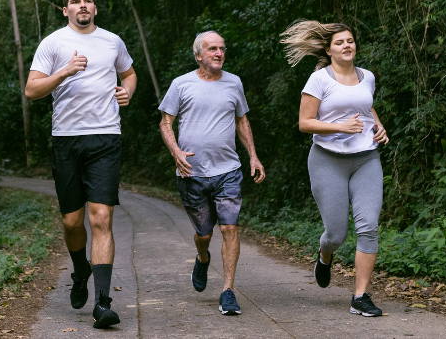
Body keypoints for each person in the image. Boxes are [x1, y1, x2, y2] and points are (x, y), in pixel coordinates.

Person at [25, 0, 136, 329]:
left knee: (101, 217)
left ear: (95, 8)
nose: (83, 6)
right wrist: (64, 71)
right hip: (67, 141)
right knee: (72, 223)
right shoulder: (53, 43)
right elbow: (31, 90)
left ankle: (103, 303)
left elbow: (129, 73)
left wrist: (126, 91)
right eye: (75, 2)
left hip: (105, 137)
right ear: (65, 10)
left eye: (88, 1)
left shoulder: (112, 41)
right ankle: (79, 269)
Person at [280, 20, 390, 317]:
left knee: (368, 225)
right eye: (340, 42)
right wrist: (340, 127)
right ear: (328, 50)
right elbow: (305, 123)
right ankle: (325, 254)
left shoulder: (367, 76)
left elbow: (367, 106)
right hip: (328, 160)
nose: (347, 45)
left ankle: (360, 296)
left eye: (350, 41)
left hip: (366, 158)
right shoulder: (319, 79)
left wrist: (378, 125)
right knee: (337, 233)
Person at [158, 31, 266, 316]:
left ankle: (228, 291)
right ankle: (202, 257)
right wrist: (176, 153)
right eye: (212, 49)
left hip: (228, 171)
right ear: (198, 55)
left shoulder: (234, 83)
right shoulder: (181, 84)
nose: (219, 53)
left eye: (222, 49)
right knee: (203, 234)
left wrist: (253, 156)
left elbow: (242, 120)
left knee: (230, 228)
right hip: (192, 173)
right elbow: (165, 123)